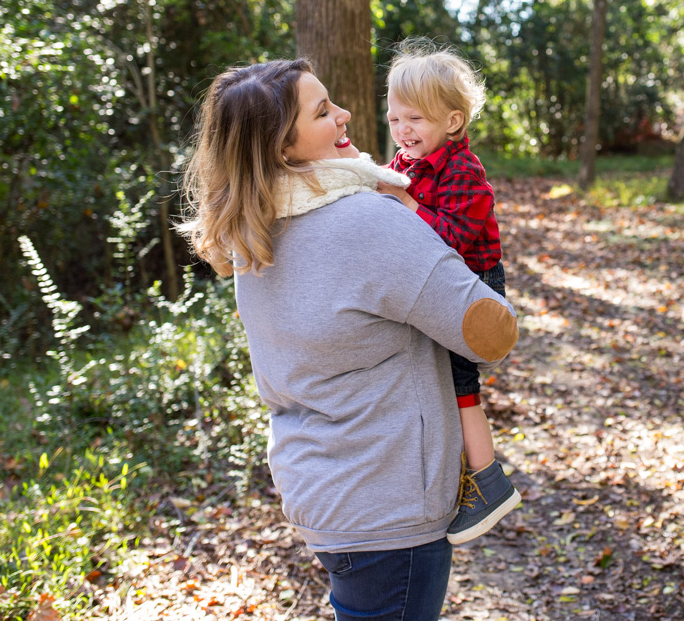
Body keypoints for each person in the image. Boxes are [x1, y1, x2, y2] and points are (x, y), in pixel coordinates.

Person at [178, 58, 519, 621]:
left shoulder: (252, 228)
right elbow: (490, 334)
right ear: (284, 148)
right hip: (389, 499)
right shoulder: (368, 219)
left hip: (320, 485)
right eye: (322, 111)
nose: (346, 114)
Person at [376, 40, 522, 545]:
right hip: (434, 282)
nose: (403, 131)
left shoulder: (465, 172)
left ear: (453, 122)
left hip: (471, 288)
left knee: (461, 388)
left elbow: (454, 240)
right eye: (395, 119)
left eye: (415, 119)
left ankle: (487, 481)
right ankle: (449, 471)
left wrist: (405, 204)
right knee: (430, 378)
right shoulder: (408, 162)